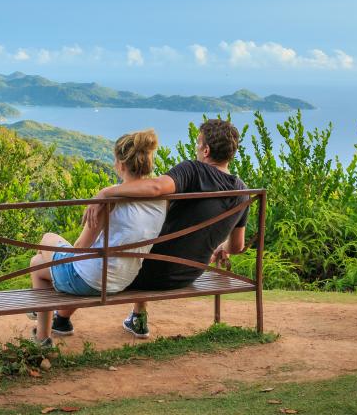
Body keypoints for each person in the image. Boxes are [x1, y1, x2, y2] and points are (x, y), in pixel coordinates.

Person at [84, 118, 249, 338]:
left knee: (140, 240)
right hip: (187, 274)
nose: (196, 148)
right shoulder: (242, 192)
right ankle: (138, 317)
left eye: (198, 143)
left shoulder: (194, 170)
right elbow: (237, 246)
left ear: (206, 150)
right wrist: (222, 247)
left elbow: (156, 187)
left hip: (146, 272)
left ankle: (63, 318)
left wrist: (106, 192)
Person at [28, 129, 166, 346]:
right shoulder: (162, 200)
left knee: (43, 247)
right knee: (43, 262)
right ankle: (58, 322)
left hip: (92, 280)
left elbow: (81, 247)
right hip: (125, 278)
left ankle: (42, 330)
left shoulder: (110, 201)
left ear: (121, 165)